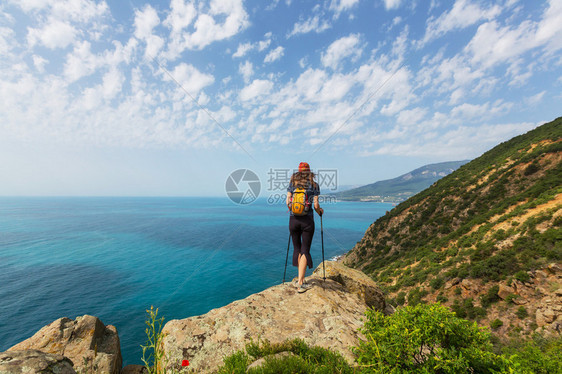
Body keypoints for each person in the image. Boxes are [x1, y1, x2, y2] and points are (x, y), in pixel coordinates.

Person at [286, 162, 324, 293]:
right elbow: (316, 206)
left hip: (293, 221)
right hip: (307, 221)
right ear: (309, 172)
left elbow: (287, 203)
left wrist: (294, 210)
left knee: (297, 248)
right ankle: (301, 283)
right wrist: (320, 212)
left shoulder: (292, 185)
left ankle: (298, 279)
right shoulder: (314, 185)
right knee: (305, 250)